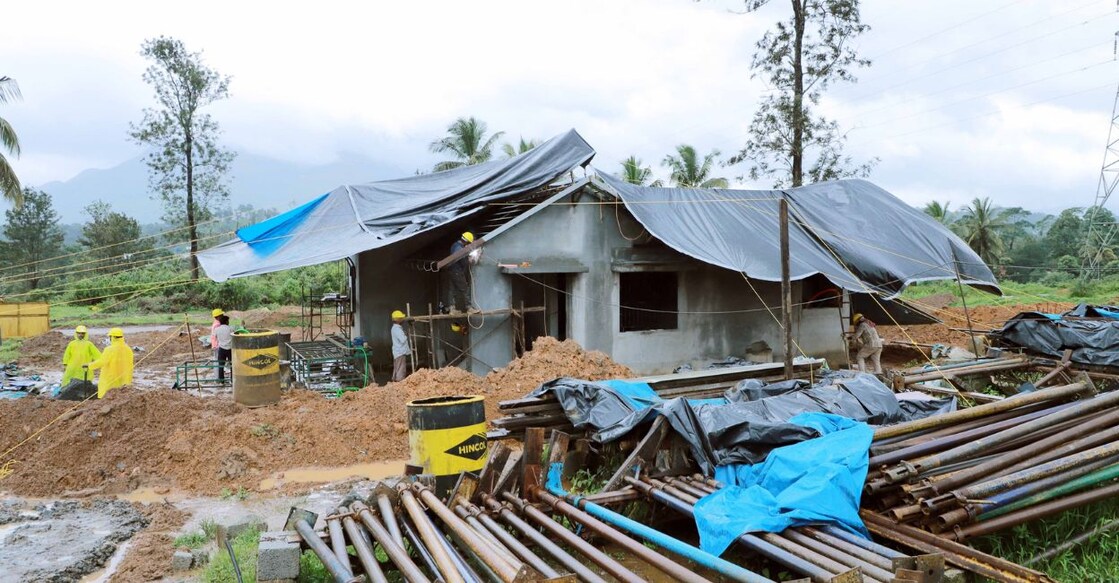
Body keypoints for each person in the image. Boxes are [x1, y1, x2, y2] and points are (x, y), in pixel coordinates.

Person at [83, 328, 134, 398]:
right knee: (120, 398)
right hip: (124, 379)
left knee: (107, 397)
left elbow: (102, 362)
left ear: (112, 337)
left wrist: (89, 365)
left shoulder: (109, 350)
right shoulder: (128, 349)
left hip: (110, 380)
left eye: (110, 337)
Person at [447, 231, 475, 314]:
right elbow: (463, 261)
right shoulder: (459, 249)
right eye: (469, 243)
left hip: (452, 270)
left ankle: (452, 309)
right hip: (457, 271)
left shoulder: (455, 245)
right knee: (465, 289)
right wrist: (469, 260)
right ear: (466, 241)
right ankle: (469, 308)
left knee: (452, 290)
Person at [391, 310, 410, 382]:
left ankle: (395, 382)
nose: (403, 319)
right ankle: (400, 382)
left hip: (398, 352)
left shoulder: (395, 328)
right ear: (398, 320)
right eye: (401, 318)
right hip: (400, 352)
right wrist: (406, 334)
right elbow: (403, 339)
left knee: (397, 368)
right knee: (401, 369)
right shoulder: (397, 329)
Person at [213, 314, 233, 383]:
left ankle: (221, 381)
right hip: (230, 349)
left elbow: (215, 337)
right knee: (232, 365)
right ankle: (232, 380)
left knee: (221, 365)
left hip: (221, 349)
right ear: (226, 321)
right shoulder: (230, 329)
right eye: (228, 321)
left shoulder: (217, 329)